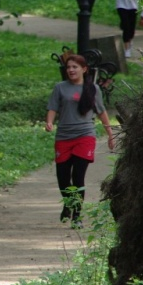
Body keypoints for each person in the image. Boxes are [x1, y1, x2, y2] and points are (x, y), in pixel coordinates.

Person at [45, 55, 116, 226]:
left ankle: (77, 216)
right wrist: (49, 122)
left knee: (78, 176)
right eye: (69, 67)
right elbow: (53, 107)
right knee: (62, 179)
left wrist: (110, 133)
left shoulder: (93, 89)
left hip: (85, 136)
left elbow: (101, 112)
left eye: (75, 67)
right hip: (63, 136)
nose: (71, 70)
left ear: (84, 69)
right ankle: (68, 205)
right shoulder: (60, 88)